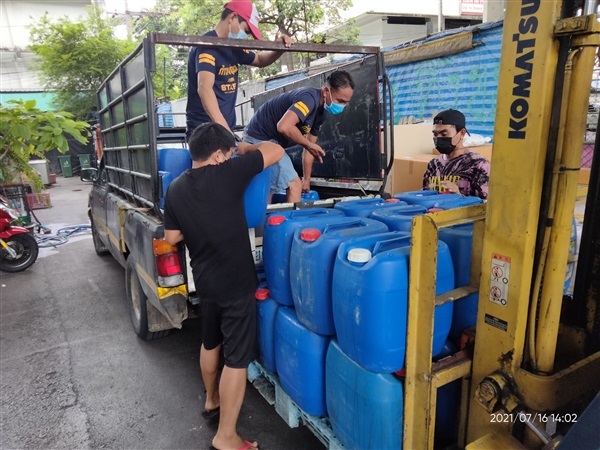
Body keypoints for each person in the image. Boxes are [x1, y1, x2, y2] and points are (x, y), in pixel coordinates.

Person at [163, 122, 284, 450]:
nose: (231, 156)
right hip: (235, 282)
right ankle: (226, 436)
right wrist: (243, 148)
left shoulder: (174, 188)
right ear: (217, 155)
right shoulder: (230, 171)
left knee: (210, 341)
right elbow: (276, 150)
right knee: (237, 359)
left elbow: (172, 237)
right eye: (227, 152)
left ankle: (212, 401)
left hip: (205, 280)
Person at [240, 70, 355, 203]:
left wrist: (306, 179)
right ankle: (293, 223)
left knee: (269, 188)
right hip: (258, 139)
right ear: (326, 91)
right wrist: (309, 145)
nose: (342, 106)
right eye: (340, 101)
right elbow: (284, 126)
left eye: (346, 103)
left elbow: (309, 149)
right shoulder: (309, 99)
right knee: (294, 184)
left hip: (268, 141)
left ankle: (263, 223)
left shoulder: (321, 113)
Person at [186, 0, 293, 140]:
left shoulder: (234, 47)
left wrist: (279, 49)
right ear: (232, 18)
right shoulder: (207, 45)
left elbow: (260, 60)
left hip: (224, 131)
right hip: (204, 133)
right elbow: (204, 88)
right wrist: (226, 132)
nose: (246, 36)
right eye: (246, 30)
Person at [423, 109, 490, 200]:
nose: (438, 138)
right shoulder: (433, 165)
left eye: (444, 134)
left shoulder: (479, 164)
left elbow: (485, 205)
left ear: (462, 133)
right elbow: (424, 196)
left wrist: (458, 195)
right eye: (435, 134)